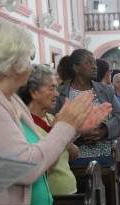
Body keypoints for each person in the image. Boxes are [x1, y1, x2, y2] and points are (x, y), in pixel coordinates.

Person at [0, 19, 112, 205]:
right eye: (29, 57)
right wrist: (66, 126)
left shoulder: (11, 100)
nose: (31, 63)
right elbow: (25, 167)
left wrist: (74, 127)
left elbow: (41, 148)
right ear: (16, 62)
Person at [55, 49, 120, 167]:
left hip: (107, 155)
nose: (94, 67)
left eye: (94, 63)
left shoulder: (105, 90)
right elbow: (54, 122)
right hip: (74, 157)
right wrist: (78, 135)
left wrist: (103, 131)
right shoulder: (61, 93)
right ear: (76, 68)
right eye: (89, 63)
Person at [17, 64, 78, 195]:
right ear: (34, 92)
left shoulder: (52, 118)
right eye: (52, 88)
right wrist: (57, 133)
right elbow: (46, 168)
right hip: (52, 197)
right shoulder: (24, 124)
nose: (57, 94)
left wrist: (74, 131)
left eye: (56, 88)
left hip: (70, 191)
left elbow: (74, 155)